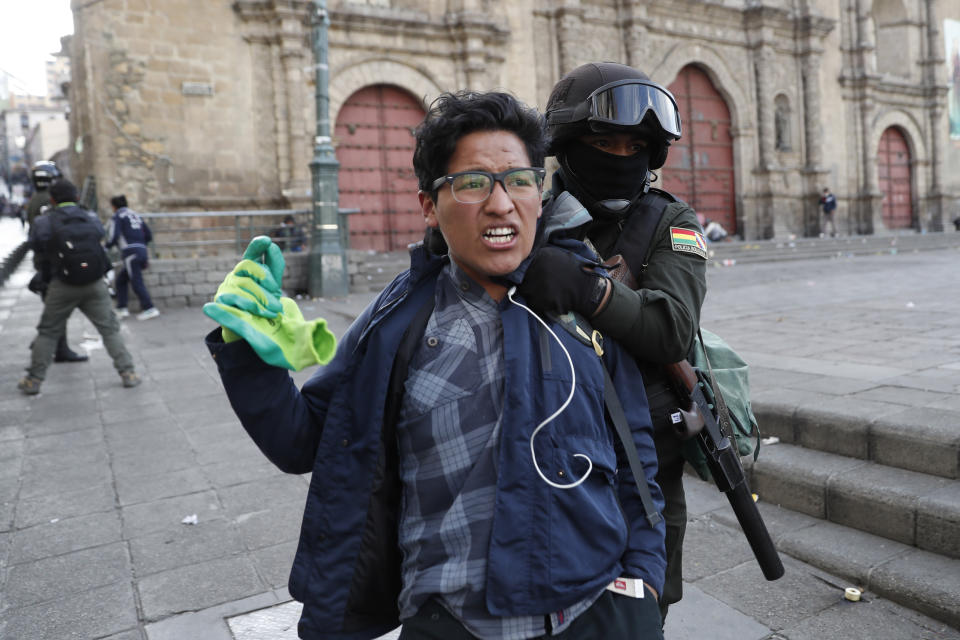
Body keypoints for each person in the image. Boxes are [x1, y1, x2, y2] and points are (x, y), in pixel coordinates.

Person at [203, 91, 666, 640]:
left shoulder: (579, 297)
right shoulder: (397, 322)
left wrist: (644, 579)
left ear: (539, 196)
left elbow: (636, 454)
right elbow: (303, 442)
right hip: (451, 622)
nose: (501, 204)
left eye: (519, 179)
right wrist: (251, 355)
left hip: (597, 614)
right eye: (473, 183)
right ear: (429, 204)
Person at [517, 62, 708, 623]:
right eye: (604, 142)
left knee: (636, 615)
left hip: (642, 466)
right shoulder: (531, 213)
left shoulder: (672, 221)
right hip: (546, 446)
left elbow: (672, 326)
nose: (621, 156)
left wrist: (587, 288)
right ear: (571, 145)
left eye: (635, 145)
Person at [18, 179, 141, 395]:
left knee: (48, 331)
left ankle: (34, 379)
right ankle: (128, 373)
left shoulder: (44, 221)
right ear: (76, 197)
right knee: (109, 328)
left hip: (61, 285)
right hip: (94, 283)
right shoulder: (90, 217)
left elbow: (36, 245)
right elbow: (100, 236)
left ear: (53, 199)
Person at [25, 160, 88, 363]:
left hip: (45, 260)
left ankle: (50, 343)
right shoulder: (47, 201)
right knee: (58, 306)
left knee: (56, 306)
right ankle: (53, 347)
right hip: (52, 261)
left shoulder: (35, 198)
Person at [106, 194, 159, 320]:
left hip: (130, 253)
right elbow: (149, 235)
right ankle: (122, 308)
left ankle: (149, 308)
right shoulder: (136, 215)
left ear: (114, 206)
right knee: (121, 280)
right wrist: (141, 245)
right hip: (141, 250)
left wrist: (106, 247)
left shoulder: (118, 216)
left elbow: (114, 235)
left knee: (136, 281)